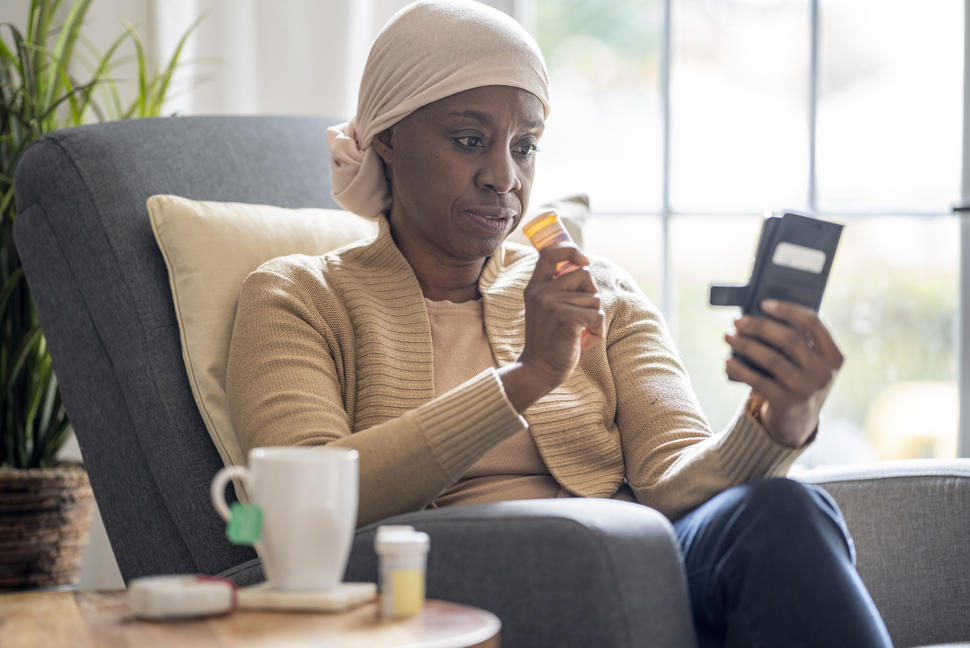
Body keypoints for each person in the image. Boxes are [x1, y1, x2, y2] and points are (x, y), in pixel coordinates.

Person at [226, 1, 892, 645]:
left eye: (526, 146)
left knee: (782, 513)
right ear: (390, 139)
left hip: (630, 568)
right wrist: (525, 379)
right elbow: (299, 508)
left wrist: (782, 420)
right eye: (469, 140)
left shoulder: (593, 289)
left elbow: (674, 481)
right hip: (438, 584)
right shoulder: (297, 297)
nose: (504, 177)